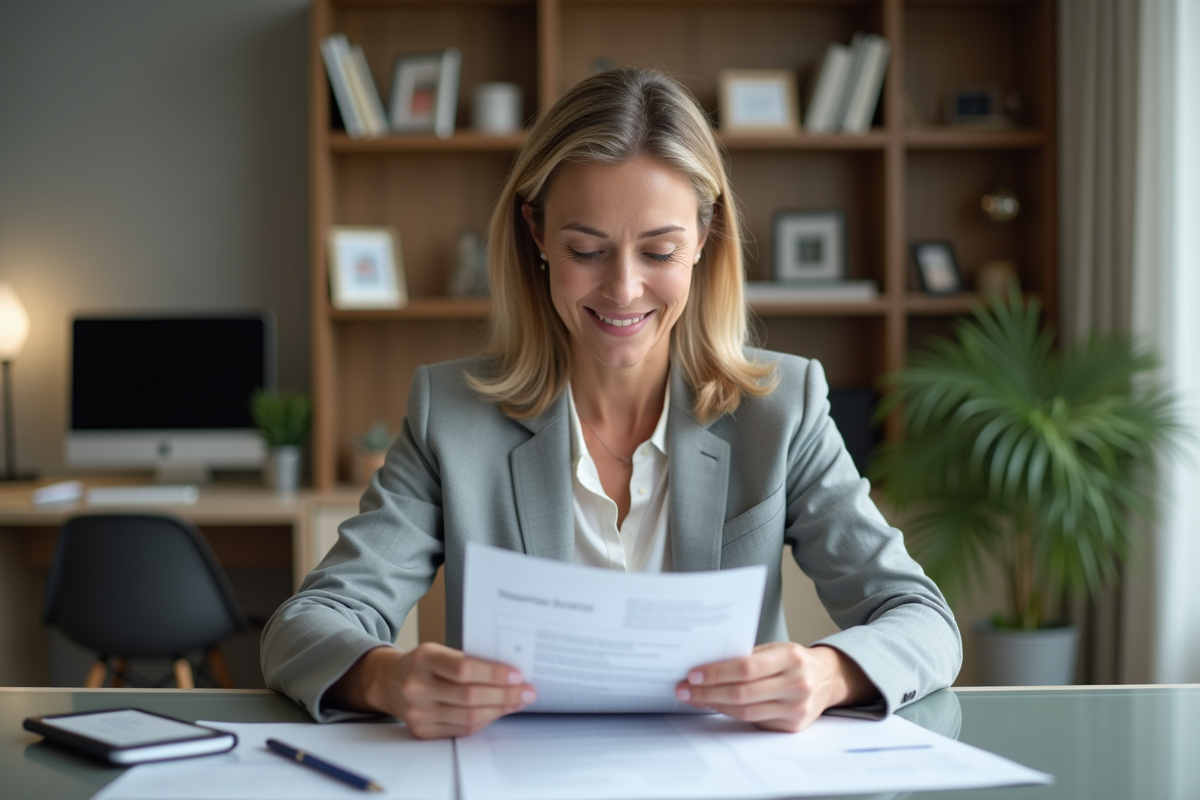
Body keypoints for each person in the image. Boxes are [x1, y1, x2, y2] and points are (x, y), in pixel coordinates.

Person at [261, 67, 961, 740]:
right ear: (536, 235)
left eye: (659, 251)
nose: (623, 290)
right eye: (587, 250)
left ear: (703, 241)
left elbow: (922, 619)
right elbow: (307, 624)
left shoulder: (782, 409)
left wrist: (828, 672)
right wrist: (385, 678)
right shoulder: (451, 414)